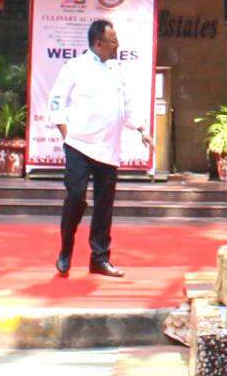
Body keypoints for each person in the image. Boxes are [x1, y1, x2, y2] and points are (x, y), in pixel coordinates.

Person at [50, 18, 151, 278]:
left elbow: (127, 105)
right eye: (113, 40)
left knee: (104, 204)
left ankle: (100, 258)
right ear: (98, 42)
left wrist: (141, 130)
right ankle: (65, 250)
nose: (117, 44)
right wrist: (65, 132)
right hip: (79, 145)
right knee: (76, 197)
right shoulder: (75, 67)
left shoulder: (117, 70)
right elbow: (56, 99)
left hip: (108, 148)